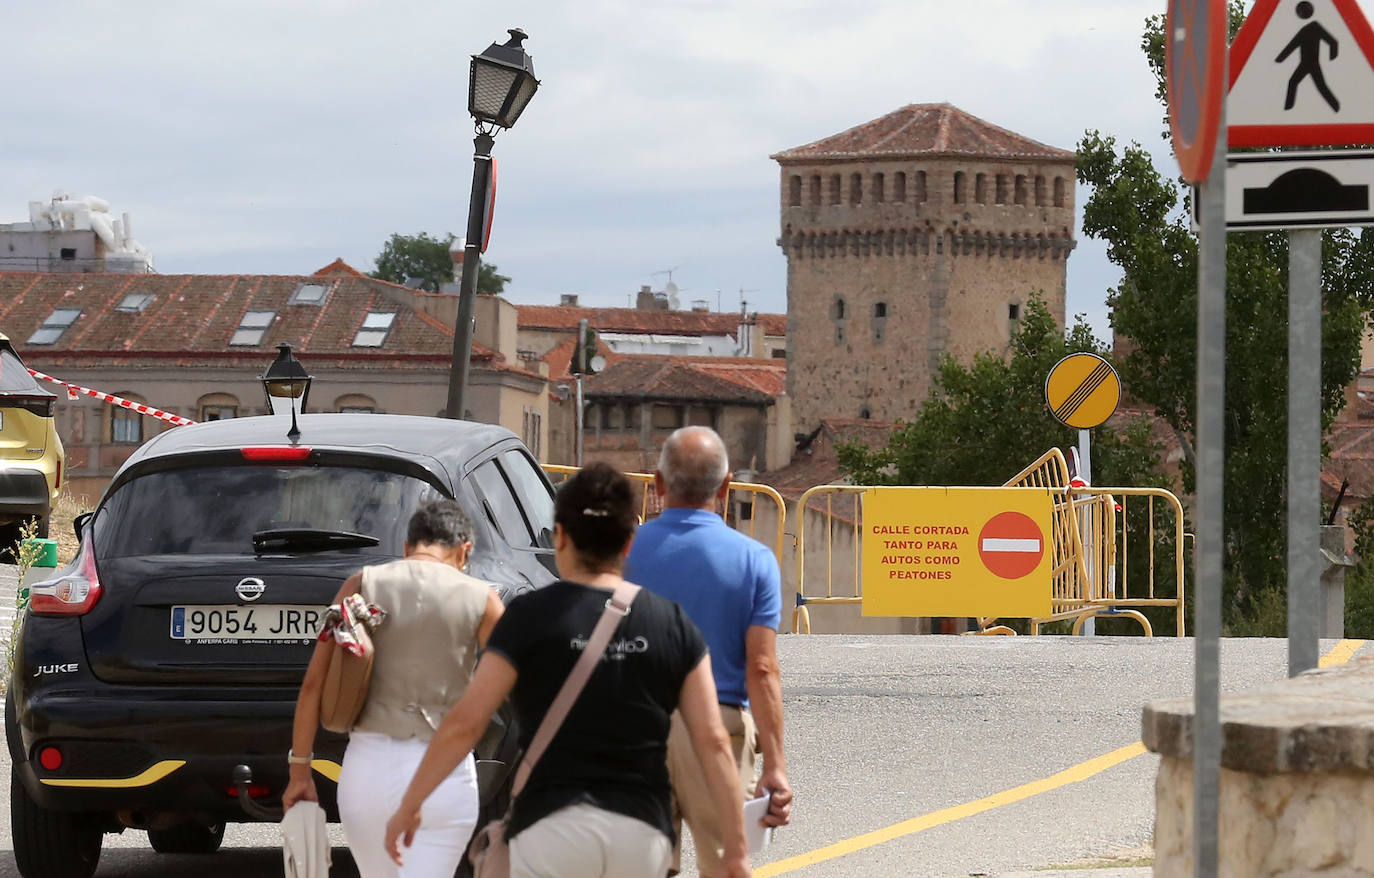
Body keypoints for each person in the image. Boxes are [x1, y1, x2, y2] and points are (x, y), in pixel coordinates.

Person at [384, 462, 752, 878]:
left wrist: (410, 804)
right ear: (630, 542)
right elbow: (714, 743)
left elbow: (466, 723)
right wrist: (735, 849)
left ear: (559, 536)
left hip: (550, 827)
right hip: (642, 831)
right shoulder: (671, 621)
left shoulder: (527, 616)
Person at [283, 500, 504, 878]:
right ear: (465, 550)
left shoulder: (361, 584)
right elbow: (517, 685)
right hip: (444, 777)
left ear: (406, 547)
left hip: (368, 771)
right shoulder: (482, 599)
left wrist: (300, 772)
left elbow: (312, 687)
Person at [625, 425, 792, 878]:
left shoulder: (623, 553)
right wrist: (774, 766)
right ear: (726, 486)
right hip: (720, 730)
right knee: (726, 865)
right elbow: (761, 668)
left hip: (638, 728)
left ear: (657, 485)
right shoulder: (755, 561)